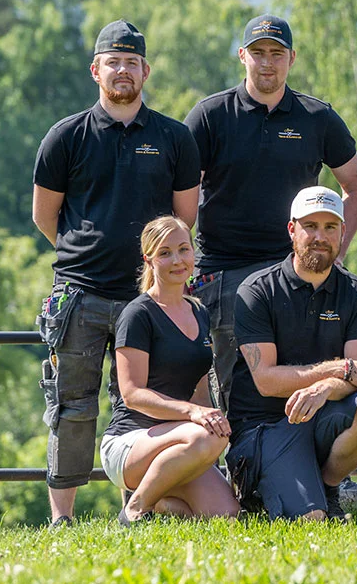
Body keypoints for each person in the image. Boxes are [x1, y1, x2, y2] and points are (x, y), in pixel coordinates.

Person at [32, 20, 200, 528]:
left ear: (145, 70)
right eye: (113, 61)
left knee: (152, 404)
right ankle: (63, 520)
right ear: (96, 70)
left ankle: (141, 507)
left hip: (147, 300)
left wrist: (157, 272)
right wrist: (87, 256)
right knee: (72, 406)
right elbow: (45, 217)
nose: (123, 70)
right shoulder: (66, 136)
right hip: (79, 294)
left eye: (131, 62)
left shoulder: (174, 137)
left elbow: (184, 217)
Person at [184, 14, 357, 414]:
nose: (266, 62)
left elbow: (356, 184)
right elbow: (181, 195)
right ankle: (234, 476)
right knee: (231, 392)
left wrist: (337, 249)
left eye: (276, 53)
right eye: (257, 53)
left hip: (297, 272)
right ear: (242, 57)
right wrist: (180, 262)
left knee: (311, 380)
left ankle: (313, 475)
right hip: (223, 272)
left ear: (292, 59)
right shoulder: (210, 115)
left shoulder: (317, 117)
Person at [224, 186, 357, 520]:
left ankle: (329, 487)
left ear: (343, 232)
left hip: (322, 418)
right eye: (310, 226)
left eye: (330, 227)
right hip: (265, 427)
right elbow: (267, 381)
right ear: (292, 230)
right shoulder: (257, 291)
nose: (320, 236)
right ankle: (286, 488)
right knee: (310, 521)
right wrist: (341, 370)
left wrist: (325, 387)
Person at [102, 216, 241, 525]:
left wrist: (209, 444)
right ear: (149, 259)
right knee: (203, 435)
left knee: (226, 516)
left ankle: (161, 503)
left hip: (185, 441)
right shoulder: (137, 314)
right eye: (165, 253)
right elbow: (132, 394)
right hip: (130, 442)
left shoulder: (199, 311)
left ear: (193, 253)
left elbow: (202, 394)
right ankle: (135, 509)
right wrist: (193, 414)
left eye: (183, 249)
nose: (177, 260)